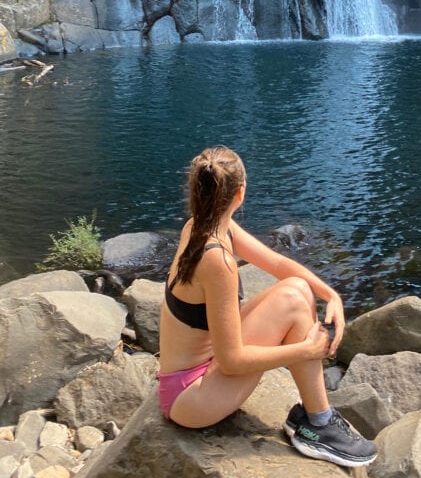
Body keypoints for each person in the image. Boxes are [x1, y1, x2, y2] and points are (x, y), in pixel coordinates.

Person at [157, 145, 378, 469]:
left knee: (299, 290)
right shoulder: (216, 260)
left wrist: (331, 295)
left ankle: (316, 418)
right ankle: (318, 424)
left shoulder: (201, 227)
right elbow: (232, 362)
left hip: (196, 373)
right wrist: (306, 349)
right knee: (293, 302)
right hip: (189, 399)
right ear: (240, 195)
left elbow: (276, 262)